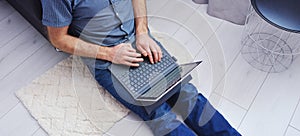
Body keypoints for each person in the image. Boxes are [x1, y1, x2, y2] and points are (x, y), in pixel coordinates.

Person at [41, 0, 241, 135]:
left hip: (139, 39)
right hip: (107, 59)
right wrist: (110, 54)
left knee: (186, 93)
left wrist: (143, 32)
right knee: (159, 113)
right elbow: (58, 39)